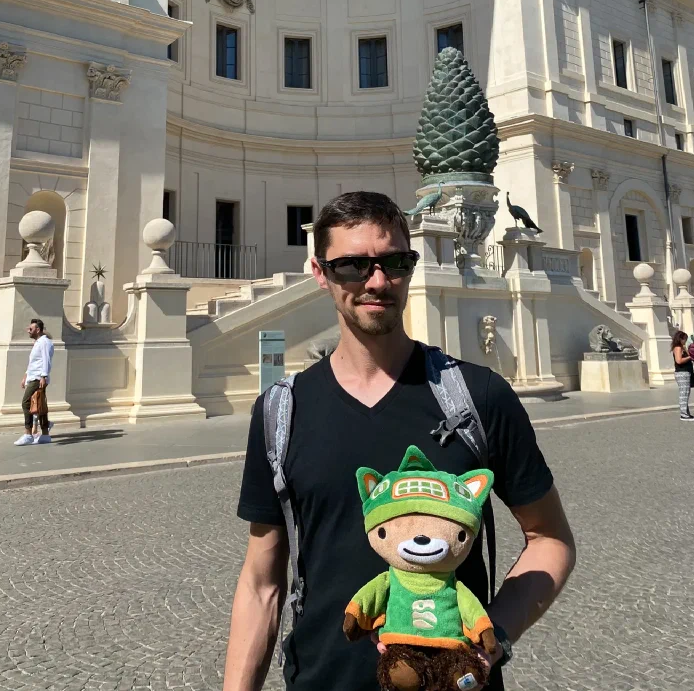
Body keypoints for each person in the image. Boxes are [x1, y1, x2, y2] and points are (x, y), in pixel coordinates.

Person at [224, 191, 576, 691]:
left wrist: (491, 638)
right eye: (351, 265)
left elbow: (550, 538)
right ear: (319, 272)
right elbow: (262, 584)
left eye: (395, 262)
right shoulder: (282, 411)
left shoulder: (477, 395)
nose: (377, 281)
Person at [14, 318, 54, 446]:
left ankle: (28, 434)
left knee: (26, 403)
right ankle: (45, 434)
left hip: (38, 378)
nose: (28, 331)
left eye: (30, 329)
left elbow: (46, 360)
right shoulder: (38, 342)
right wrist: (26, 375)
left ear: (37, 329)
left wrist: (44, 376)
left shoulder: (44, 342)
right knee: (40, 404)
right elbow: (34, 362)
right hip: (33, 376)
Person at [671, 330, 694, 421]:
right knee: (683, 394)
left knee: (686, 393)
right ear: (680, 339)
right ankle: (684, 414)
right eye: (684, 339)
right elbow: (679, 361)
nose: (685, 341)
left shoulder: (681, 347)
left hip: (685, 372)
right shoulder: (678, 348)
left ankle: (686, 413)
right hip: (682, 373)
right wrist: (690, 357)